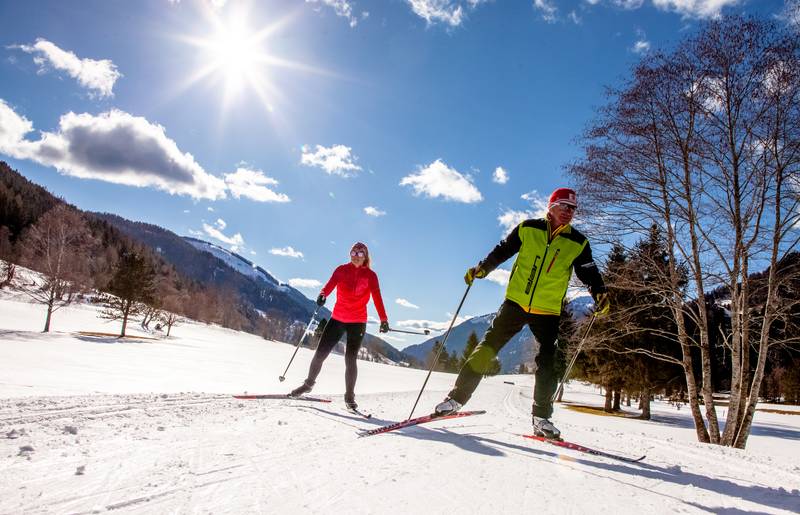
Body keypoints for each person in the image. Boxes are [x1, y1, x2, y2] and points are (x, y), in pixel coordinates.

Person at [434, 187, 609, 439]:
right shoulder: (528, 228)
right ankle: (455, 400)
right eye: (563, 206)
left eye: (572, 209)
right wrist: (482, 268)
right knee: (486, 350)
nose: (568, 212)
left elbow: (588, 271)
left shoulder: (578, 242)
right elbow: (503, 250)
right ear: (551, 206)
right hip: (515, 303)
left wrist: (599, 292)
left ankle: (542, 419)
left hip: (548, 311)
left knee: (548, 363)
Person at [290, 242, 390, 410]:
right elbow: (329, 285)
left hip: (357, 322)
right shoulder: (341, 270)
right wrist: (323, 294)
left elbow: (377, 297)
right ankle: (308, 384)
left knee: (350, 360)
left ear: (365, 257)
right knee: (320, 354)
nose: (355, 256)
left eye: (360, 253)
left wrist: (383, 319)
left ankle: (349, 398)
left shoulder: (370, 276)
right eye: (353, 252)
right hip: (337, 318)